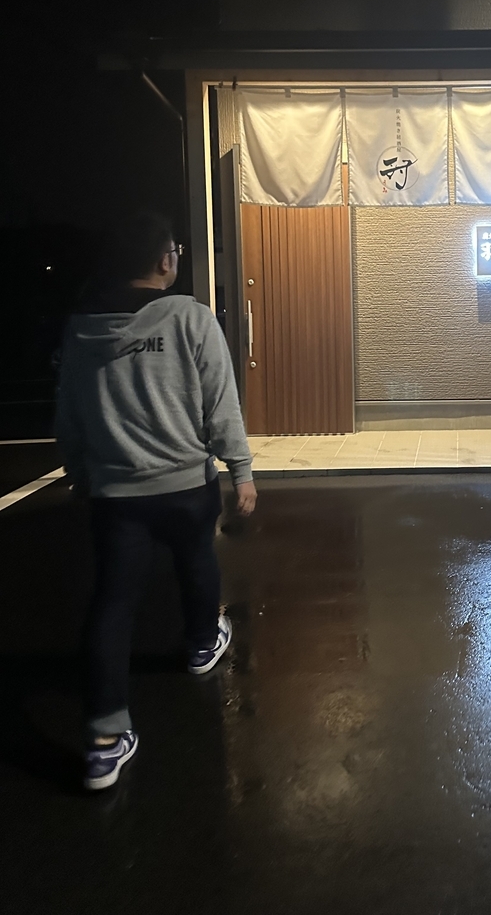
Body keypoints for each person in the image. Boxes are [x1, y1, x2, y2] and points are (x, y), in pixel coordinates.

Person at [55, 211, 257, 791]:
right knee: (196, 562)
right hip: (187, 484)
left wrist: (79, 472)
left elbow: (69, 411)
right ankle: (201, 644)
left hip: (116, 493)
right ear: (165, 260)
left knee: (113, 602)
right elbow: (221, 403)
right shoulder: (190, 318)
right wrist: (241, 470)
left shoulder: (83, 330)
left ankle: (103, 740)